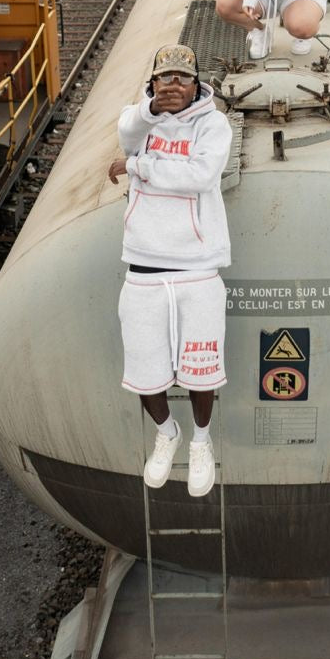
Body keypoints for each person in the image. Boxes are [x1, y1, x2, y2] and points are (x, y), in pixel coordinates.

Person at [108, 44, 232, 498]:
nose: (174, 85)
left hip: (197, 266)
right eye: (165, 78)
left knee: (201, 369)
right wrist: (147, 115)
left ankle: (201, 440)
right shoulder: (141, 122)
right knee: (146, 370)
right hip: (143, 264)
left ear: (197, 83)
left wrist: (138, 167)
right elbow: (127, 129)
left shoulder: (213, 125)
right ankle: (168, 434)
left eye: (183, 77)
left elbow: (199, 176)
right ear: (153, 84)